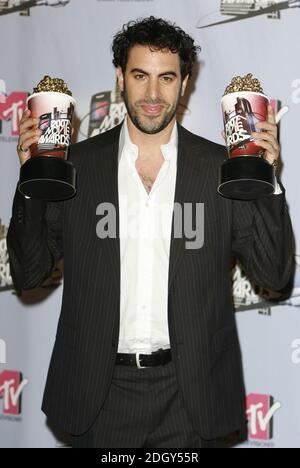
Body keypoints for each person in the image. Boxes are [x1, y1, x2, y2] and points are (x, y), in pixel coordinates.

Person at [7, 16, 294, 448]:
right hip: (97, 395)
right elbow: (28, 273)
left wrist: (266, 180)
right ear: (120, 78)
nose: (154, 95)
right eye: (140, 76)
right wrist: (33, 178)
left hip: (191, 394)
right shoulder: (76, 168)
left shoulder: (222, 169)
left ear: (185, 82)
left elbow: (274, 275)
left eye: (167, 78)